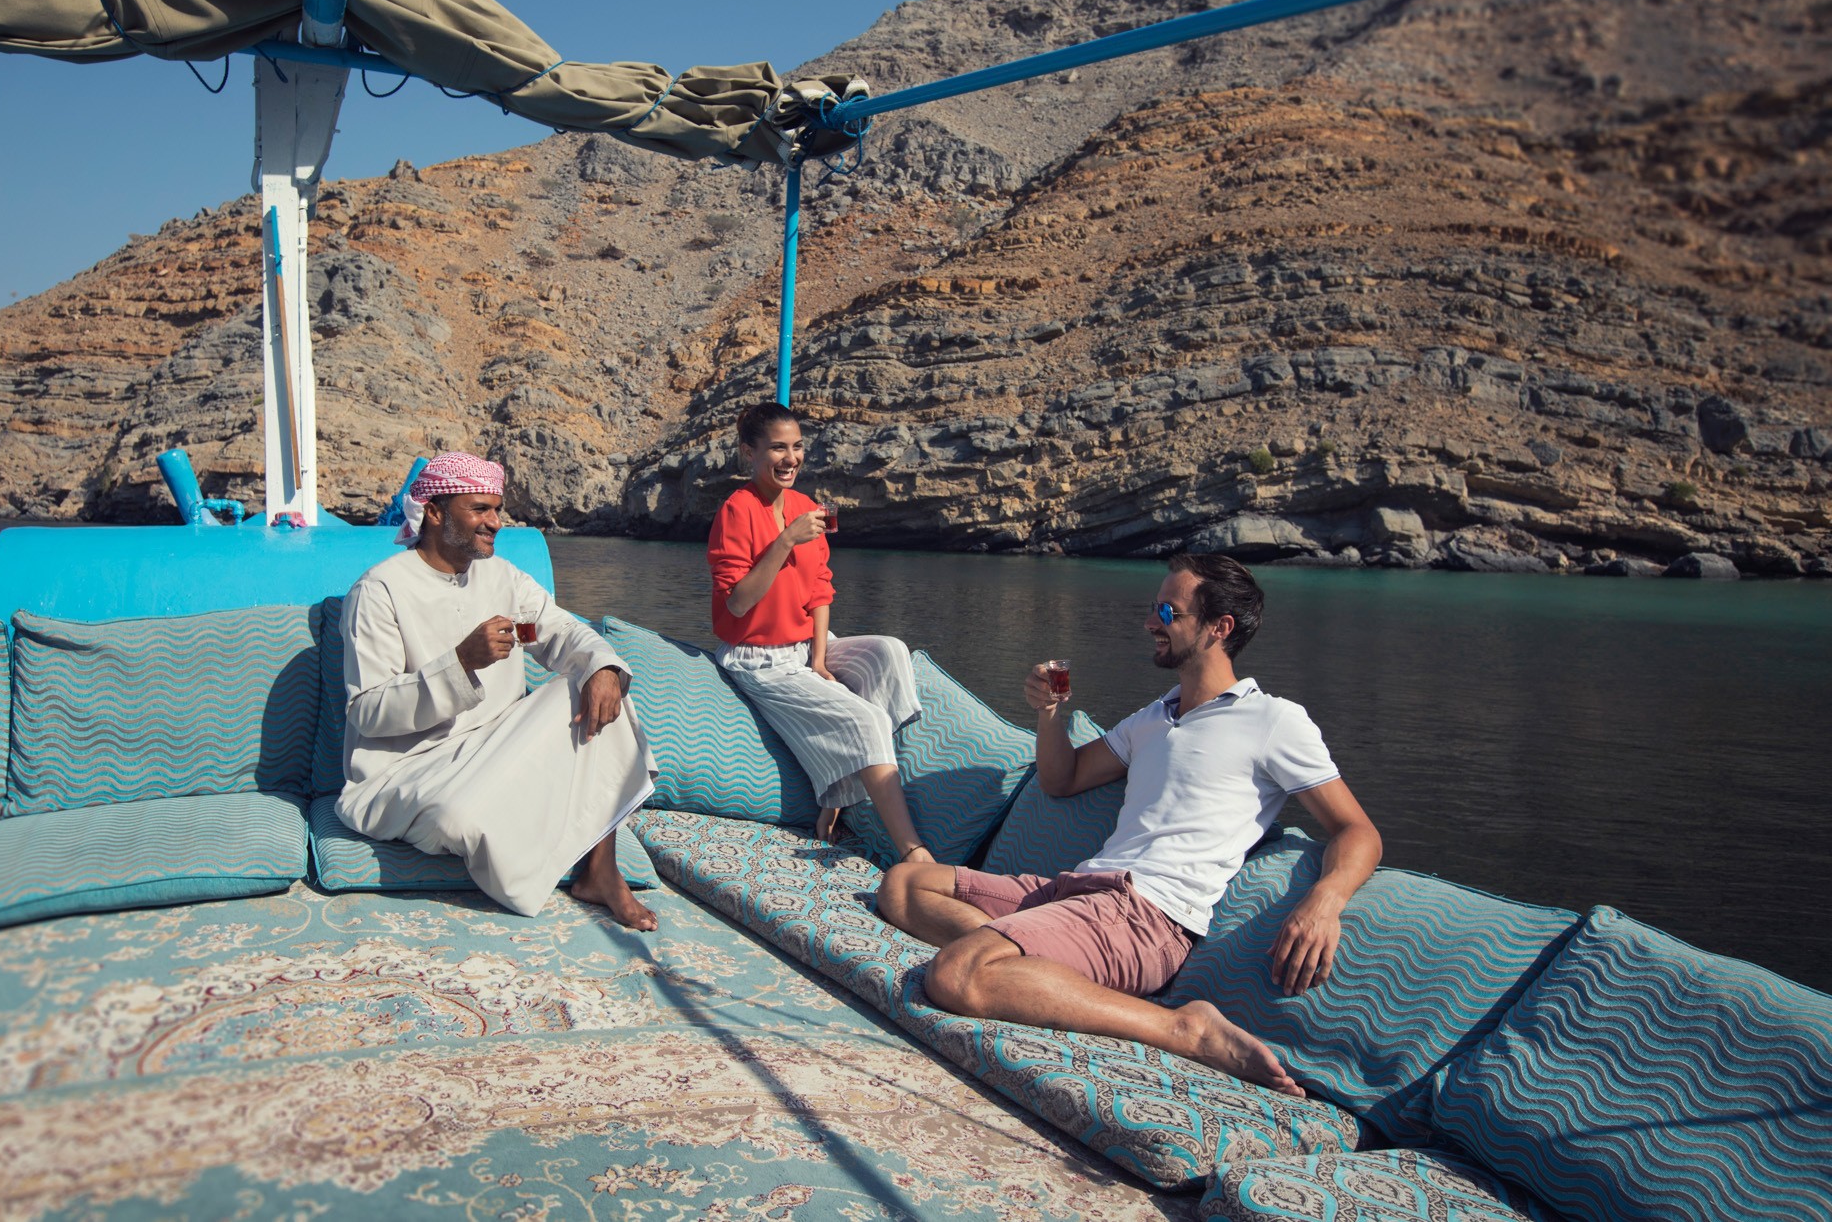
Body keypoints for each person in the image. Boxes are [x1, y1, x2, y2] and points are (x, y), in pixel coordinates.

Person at [875, 554, 1382, 1095]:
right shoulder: (1155, 715)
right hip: (1077, 891)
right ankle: (1039, 961)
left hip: (1146, 916)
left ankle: (1184, 1028)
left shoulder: (1274, 721)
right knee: (903, 884)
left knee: (957, 974)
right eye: (1154, 608)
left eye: (1169, 610)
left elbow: (1358, 831)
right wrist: (1049, 715)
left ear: (1219, 627)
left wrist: (1325, 901)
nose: (1151, 622)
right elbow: (1062, 778)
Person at [336, 451, 659, 930]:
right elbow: (367, 711)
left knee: (595, 681)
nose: (495, 522)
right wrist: (460, 662)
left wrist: (601, 666)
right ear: (435, 511)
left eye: (497, 509)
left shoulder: (504, 579)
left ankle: (600, 869)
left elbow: (562, 632)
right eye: (480, 509)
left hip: (496, 746)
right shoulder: (381, 590)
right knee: (458, 818)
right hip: (407, 768)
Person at [707, 401, 934, 863]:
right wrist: (786, 540)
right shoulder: (736, 510)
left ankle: (849, 788)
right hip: (760, 658)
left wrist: (818, 658)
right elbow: (737, 602)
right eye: (777, 448)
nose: (790, 458)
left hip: (806, 647)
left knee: (890, 651)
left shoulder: (809, 506)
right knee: (867, 719)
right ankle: (913, 850)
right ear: (749, 452)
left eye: (797, 447)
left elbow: (820, 589)